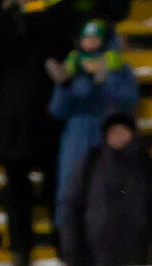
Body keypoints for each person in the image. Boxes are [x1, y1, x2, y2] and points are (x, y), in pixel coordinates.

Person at [0, 0, 72, 266]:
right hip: (13, 114)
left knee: (55, 182)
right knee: (17, 184)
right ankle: (21, 247)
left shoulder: (54, 14)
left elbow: (61, 47)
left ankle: (62, 244)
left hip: (48, 113)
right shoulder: (0, 20)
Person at [48, 20, 139, 215]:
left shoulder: (120, 69)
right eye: (86, 38)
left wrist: (108, 79)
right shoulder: (72, 69)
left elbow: (128, 101)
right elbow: (57, 110)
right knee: (73, 189)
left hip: (108, 133)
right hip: (77, 136)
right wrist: (64, 86)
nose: (90, 43)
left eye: (95, 38)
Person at [59, 112, 152, 266]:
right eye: (114, 131)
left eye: (123, 131)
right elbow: (71, 208)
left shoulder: (147, 165)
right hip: (94, 255)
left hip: (137, 254)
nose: (118, 136)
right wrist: (71, 251)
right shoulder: (89, 164)